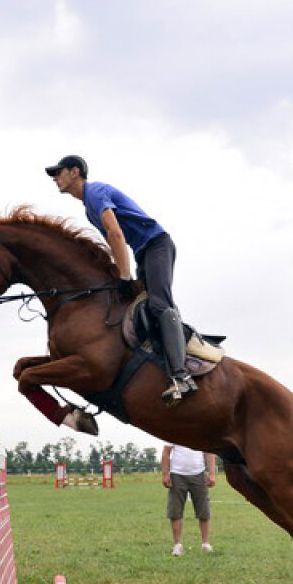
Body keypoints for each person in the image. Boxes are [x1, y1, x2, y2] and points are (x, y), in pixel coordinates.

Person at [46, 155, 198, 406]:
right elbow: (112, 240)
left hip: (157, 245)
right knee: (141, 307)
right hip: (143, 252)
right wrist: (119, 273)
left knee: (159, 305)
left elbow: (116, 234)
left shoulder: (94, 192)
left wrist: (124, 276)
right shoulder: (88, 207)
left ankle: (181, 376)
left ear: (75, 172)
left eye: (58, 172)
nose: (55, 178)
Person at [161, 443, 217, 556]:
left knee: (204, 510)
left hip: (199, 474)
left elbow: (209, 452)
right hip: (177, 475)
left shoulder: (202, 430)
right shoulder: (173, 431)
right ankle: (177, 545)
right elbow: (166, 452)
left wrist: (211, 474)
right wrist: (165, 474)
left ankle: (205, 544)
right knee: (175, 511)